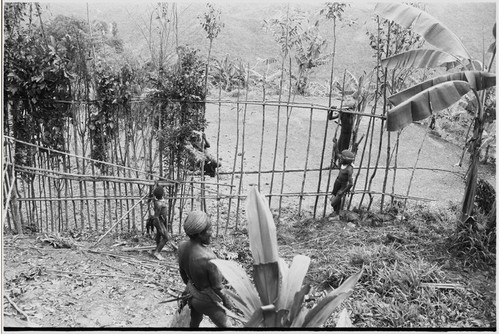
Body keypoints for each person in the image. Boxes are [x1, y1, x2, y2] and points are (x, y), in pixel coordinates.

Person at [177, 211, 233, 327]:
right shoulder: (208, 258)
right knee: (227, 326)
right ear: (199, 234)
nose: (211, 233)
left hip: (192, 294)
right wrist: (227, 301)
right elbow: (217, 287)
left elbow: (182, 272)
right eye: (209, 229)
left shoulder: (182, 246)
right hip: (206, 301)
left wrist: (190, 287)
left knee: (194, 322)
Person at [330, 150, 355, 216]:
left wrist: (343, 191)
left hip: (343, 186)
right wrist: (335, 144)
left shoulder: (349, 169)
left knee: (333, 202)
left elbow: (351, 183)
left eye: (341, 158)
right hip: (337, 183)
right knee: (334, 199)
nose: (339, 159)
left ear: (346, 160)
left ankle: (338, 213)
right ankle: (336, 214)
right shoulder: (343, 163)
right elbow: (337, 153)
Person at [151, 186, 170, 260]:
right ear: (162, 194)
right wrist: (160, 227)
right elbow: (156, 216)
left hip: (160, 221)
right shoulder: (159, 204)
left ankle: (156, 249)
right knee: (166, 237)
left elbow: (154, 196)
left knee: (159, 235)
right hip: (159, 221)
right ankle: (157, 252)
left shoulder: (158, 201)